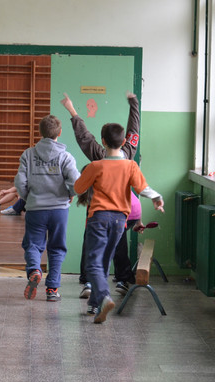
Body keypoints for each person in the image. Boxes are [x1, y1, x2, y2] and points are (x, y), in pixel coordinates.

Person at [74, 122, 164, 323]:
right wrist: (157, 197)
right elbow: (143, 189)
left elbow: (79, 188)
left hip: (98, 219)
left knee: (93, 262)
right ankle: (95, 306)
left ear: (103, 142)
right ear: (123, 142)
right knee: (104, 260)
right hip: (119, 221)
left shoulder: (95, 166)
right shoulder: (130, 165)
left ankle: (104, 297)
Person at [61, 91, 141, 299]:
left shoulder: (98, 156)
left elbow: (83, 137)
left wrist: (71, 109)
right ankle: (123, 278)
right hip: (120, 212)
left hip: (97, 212)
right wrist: (134, 104)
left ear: (103, 141)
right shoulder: (129, 154)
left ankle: (88, 281)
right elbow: (134, 129)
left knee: (91, 244)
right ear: (124, 141)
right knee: (119, 242)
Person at [15, 115, 80, 302]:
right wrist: (71, 193)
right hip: (59, 210)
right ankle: (52, 289)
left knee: (33, 244)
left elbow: (20, 181)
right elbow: (75, 182)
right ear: (59, 133)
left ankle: (35, 269)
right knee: (57, 248)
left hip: (35, 209)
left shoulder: (28, 154)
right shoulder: (65, 156)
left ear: (40, 132)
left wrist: (28, 198)